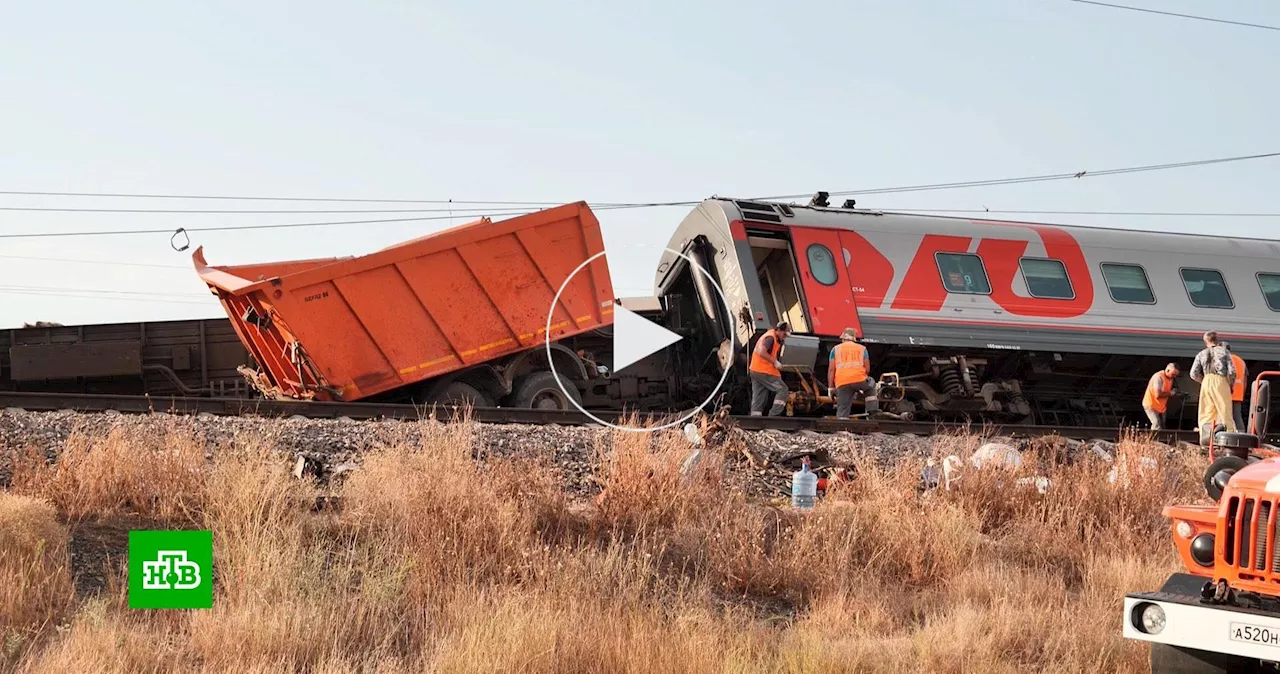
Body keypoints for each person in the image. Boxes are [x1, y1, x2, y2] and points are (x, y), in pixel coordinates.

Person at [1190, 330, 1237, 439]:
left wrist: (1204, 381)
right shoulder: (1224, 352)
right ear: (1217, 340)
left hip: (1206, 381)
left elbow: (1193, 374)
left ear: (1205, 341)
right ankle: (1229, 437)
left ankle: (1205, 438)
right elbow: (1232, 372)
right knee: (1225, 410)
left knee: (1206, 412)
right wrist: (1230, 385)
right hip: (1221, 381)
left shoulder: (1201, 354)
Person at [827, 327, 876, 419]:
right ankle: (872, 411)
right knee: (871, 383)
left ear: (843, 338)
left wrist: (831, 387)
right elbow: (867, 369)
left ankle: (842, 428)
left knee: (843, 408)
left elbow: (831, 370)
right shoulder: (862, 349)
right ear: (854, 338)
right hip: (860, 380)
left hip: (842, 383)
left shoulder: (835, 349)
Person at [748, 322, 790, 416]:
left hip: (755, 370)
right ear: (779, 330)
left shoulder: (770, 336)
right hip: (763, 370)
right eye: (784, 334)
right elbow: (761, 352)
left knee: (759, 396)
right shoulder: (770, 338)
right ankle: (773, 416)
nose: (785, 337)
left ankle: (755, 419)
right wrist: (774, 362)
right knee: (782, 390)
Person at [1141, 363, 1179, 430]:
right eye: (1173, 374)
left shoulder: (1170, 378)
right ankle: (1154, 439)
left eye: (1176, 375)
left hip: (1161, 407)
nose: (1174, 377)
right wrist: (1170, 393)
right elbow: (1157, 395)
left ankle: (1160, 439)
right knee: (1156, 424)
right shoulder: (1158, 377)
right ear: (1167, 370)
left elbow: (1166, 391)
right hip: (1151, 404)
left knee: (1162, 426)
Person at [1224, 341, 1248, 432]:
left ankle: (1223, 435)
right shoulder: (1240, 360)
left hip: (1226, 392)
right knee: (1237, 416)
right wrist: (1242, 393)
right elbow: (1245, 380)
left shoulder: (1224, 359)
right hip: (1238, 393)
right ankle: (1241, 435)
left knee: (1223, 415)